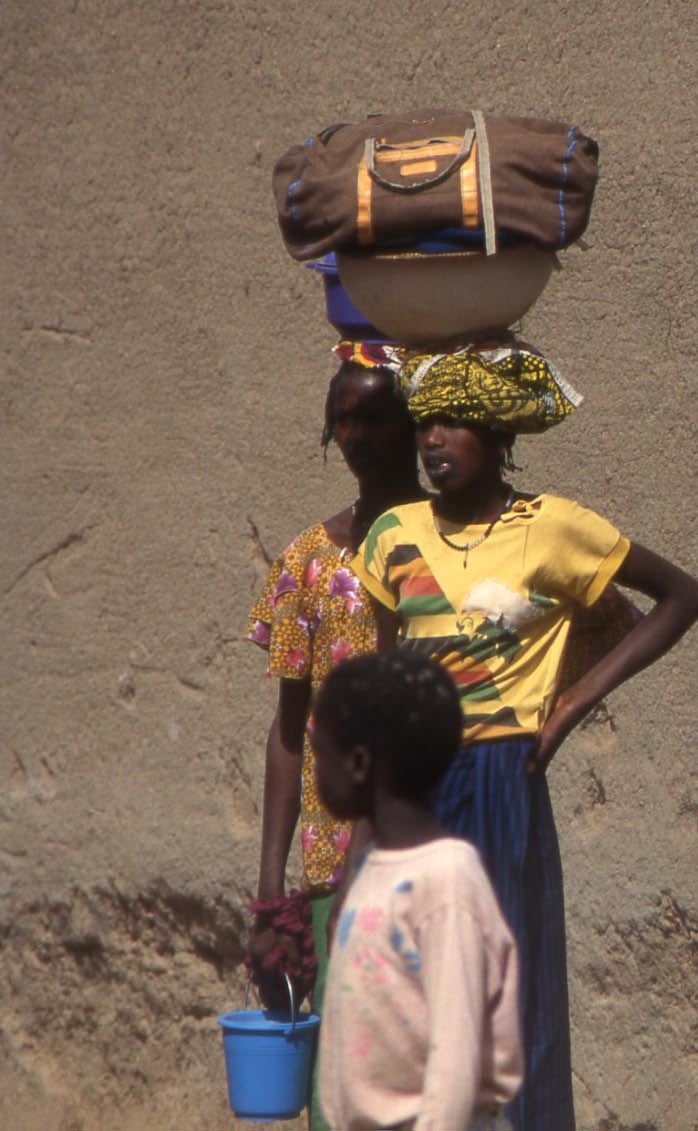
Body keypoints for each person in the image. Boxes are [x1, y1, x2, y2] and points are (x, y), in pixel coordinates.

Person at [350, 339, 698, 1131]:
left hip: (503, 772)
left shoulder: (551, 528)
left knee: (508, 991)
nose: (434, 440)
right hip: (417, 784)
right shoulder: (392, 535)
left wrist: (576, 698)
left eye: (458, 423)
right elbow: (383, 675)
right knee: (413, 987)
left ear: (501, 437)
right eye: (426, 423)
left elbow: (681, 598)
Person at [245, 341, 422, 1130]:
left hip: (425, 852)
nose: (359, 435)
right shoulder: (309, 562)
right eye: (345, 418)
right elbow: (291, 729)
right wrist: (271, 885)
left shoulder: (444, 547)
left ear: (415, 425)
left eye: (378, 416)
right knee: (342, 1086)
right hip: (329, 865)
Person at [312, 651, 522, 1131]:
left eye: (319, 752)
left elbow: (454, 1060)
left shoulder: (446, 880)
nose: (316, 768)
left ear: (359, 762)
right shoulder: (376, 870)